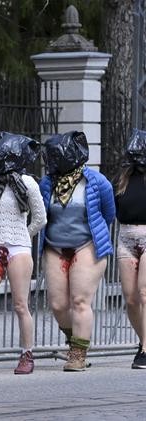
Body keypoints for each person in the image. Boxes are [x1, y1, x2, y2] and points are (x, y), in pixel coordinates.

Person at [0, 132, 46, 376]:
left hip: (19, 249)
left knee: (20, 304)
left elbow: (40, 218)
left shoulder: (28, 183)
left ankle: (27, 353)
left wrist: (23, 235)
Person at [40, 131, 115, 371]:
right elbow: (42, 214)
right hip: (54, 246)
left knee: (80, 300)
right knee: (58, 304)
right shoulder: (47, 183)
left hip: (86, 245)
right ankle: (75, 340)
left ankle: (78, 354)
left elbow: (108, 213)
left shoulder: (96, 181)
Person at [115, 129, 146, 369]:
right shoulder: (123, 177)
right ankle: (142, 341)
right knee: (131, 298)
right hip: (125, 237)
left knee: (144, 292)